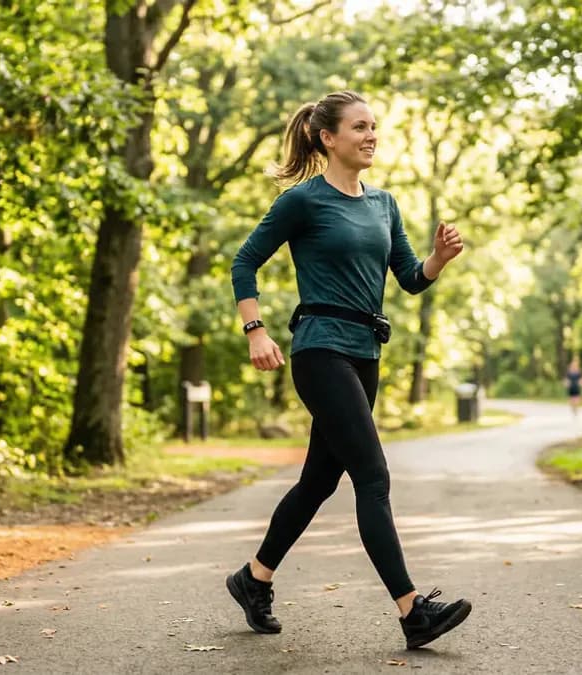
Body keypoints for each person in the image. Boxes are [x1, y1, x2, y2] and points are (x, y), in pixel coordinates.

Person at [226, 90, 471, 650]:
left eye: (374, 127)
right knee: (373, 476)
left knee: (318, 481)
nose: (370, 136)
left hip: (366, 353)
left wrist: (439, 259)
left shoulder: (385, 203)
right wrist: (255, 330)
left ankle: (254, 578)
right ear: (327, 137)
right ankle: (414, 612)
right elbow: (245, 261)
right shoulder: (303, 201)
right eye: (359, 127)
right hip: (319, 350)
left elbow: (409, 277)